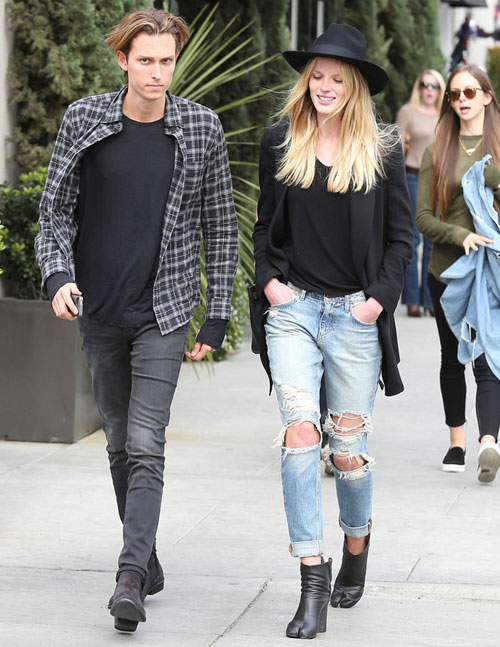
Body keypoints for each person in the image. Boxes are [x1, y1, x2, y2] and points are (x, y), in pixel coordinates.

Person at [35, 8, 238, 633]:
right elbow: (54, 211)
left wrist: (216, 315)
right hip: (97, 308)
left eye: (166, 61)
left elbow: (220, 227)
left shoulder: (200, 127)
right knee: (120, 442)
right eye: (145, 60)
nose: (157, 72)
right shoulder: (85, 119)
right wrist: (57, 276)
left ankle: (129, 578)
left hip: (164, 310)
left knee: (147, 441)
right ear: (123, 60)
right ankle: (146, 559)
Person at [252, 23, 413, 640]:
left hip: (353, 316)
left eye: (336, 79)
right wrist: (271, 284)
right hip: (293, 310)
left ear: (355, 87)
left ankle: (356, 543)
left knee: (346, 451)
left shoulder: (382, 149)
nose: (324, 86)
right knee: (300, 437)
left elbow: (400, 238)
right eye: (316, 76)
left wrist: (376, 303)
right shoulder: (280, 140)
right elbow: (265, 226)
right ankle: (311, 579)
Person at [416, 63, 500, 480]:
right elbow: (422, 218)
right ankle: (457, 441)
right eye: (455, 94)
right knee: (452, 358)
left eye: (470, 92)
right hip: (447, 272)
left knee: (487, 355)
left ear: (486, 96)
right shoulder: (437, 151)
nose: (462, 100)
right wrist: (458, 234)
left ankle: (488, 443)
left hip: (489, 272)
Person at [396, 69, 446, 317]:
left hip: (438, 181)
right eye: (425, 84)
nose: (429, 89)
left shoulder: (445, 115)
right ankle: (412, 300)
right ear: (419, 87)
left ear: (440, 89)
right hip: (413, 177)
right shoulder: (408, 111)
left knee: (432, 242)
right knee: (413, 239)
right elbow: (395, 145)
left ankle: (430, 299)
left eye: (434, 85)